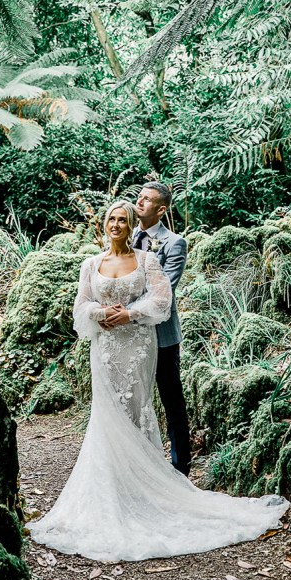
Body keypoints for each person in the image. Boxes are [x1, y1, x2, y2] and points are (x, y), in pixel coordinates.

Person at [29, 200, 290, 563]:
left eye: (123, 219)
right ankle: (110, 488)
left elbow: (161, 300)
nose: (116, 224)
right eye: (111, 219)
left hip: (137, 344)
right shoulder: (91, 264)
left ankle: (144, 486)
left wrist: (130, 314)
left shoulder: (147, 260)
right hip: (104, 348)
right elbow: (81, 306)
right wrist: (102, 313)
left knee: (136, 407)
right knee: (107, 413)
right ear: (103, 225)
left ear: (132, 225)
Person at [133, 182, 191, 476]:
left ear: (161, 209)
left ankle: (181, 469)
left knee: (171, 399)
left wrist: (129, 308)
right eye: (139, 197)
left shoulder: (174, 243)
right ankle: (141, 465)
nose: (140, 202)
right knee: (134, 398)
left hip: (162, 335)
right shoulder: (127, 236)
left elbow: (164, 289)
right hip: (130, 335)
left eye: (147, 200)